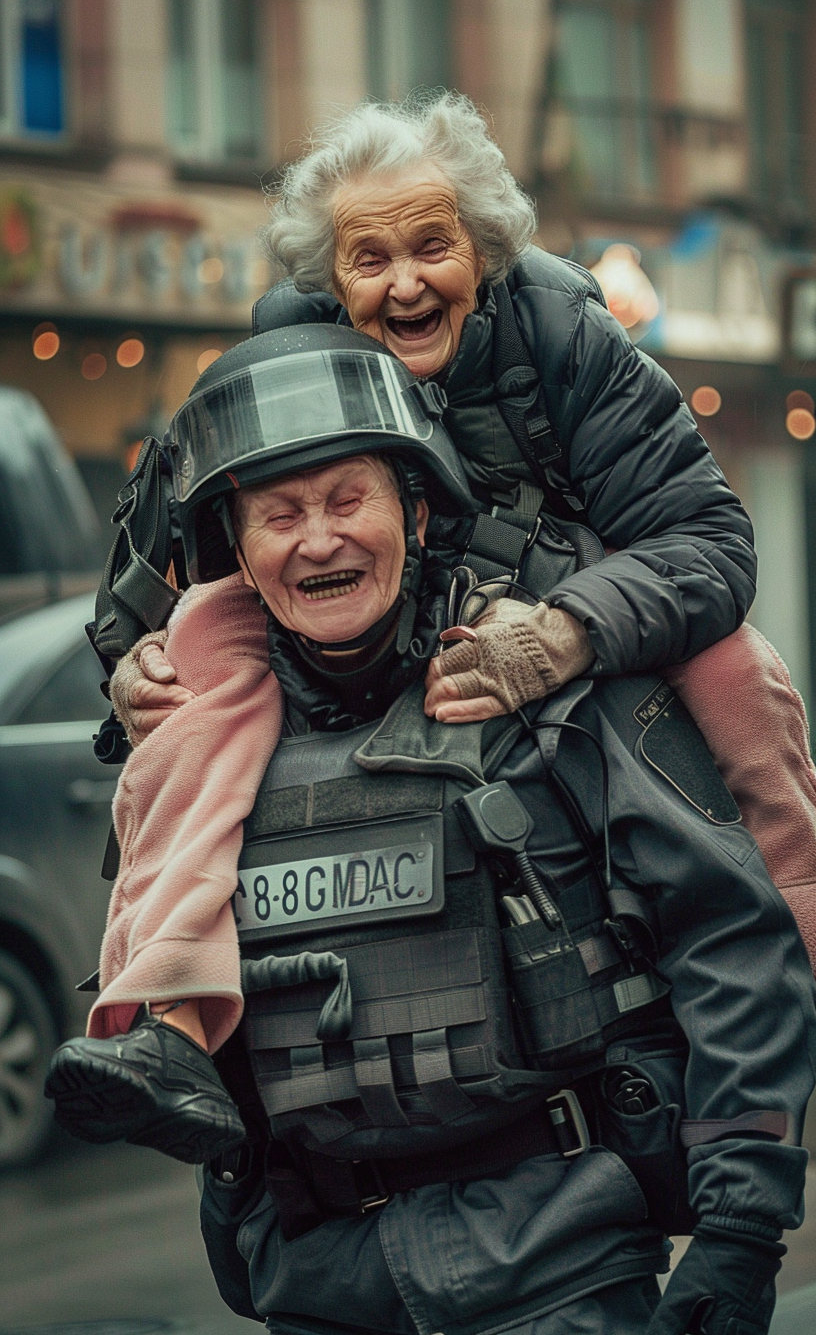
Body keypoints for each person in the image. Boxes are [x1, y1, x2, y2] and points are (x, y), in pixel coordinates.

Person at [53, 329, 816, 1335]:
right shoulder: (197, 752)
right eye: (279, 514)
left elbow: (731, 941)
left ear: (417, 509)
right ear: (237, 553)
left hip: (563, 1268)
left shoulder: (548, 689)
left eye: (346, 499)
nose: (317, 538)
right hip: (315, 1281)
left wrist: (741, 1229)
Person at [112, 93, 816, 963]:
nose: (404, 284)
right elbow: (200, 551)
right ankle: (160, 999)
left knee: (739, 667)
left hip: (568, 587)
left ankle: (796, 941)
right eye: (369, 259)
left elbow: (707, 544)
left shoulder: (566, 335)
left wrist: (564, 634)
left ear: (481, 250)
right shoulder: (282, 350)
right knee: (198, 644)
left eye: (431, 247)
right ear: (332, 279)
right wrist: (138, 661)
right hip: (377, 600)